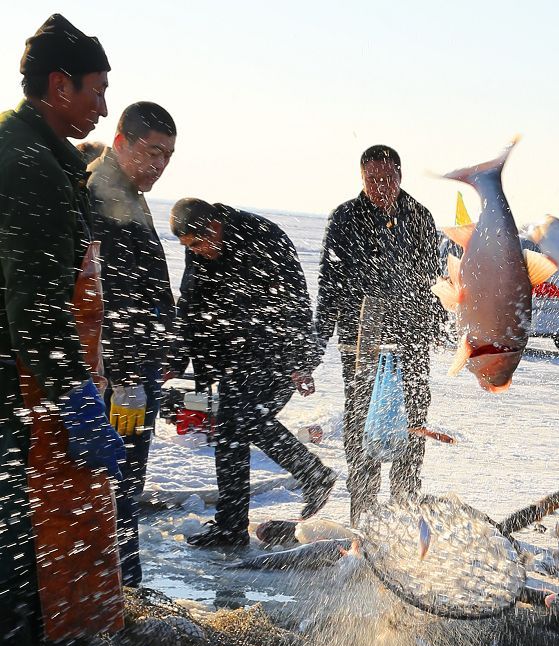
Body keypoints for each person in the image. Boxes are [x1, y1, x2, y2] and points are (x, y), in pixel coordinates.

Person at [0, 13, 140, 646]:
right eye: (95, 89)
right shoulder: (27, 166)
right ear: (58, 85)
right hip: (12, 377)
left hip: (27, 375)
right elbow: (35, 308)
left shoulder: (38, 152)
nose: (103, 105)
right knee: (11, 529)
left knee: (27, 525)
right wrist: (76, 400)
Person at [170, 198, 334, 547]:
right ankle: (233, 525)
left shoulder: (263, 235)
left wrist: (301, 360)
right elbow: (191, 301)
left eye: (199, 244)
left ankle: (310, 474)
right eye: (189, 248)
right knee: (233, 430)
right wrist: (178, 356)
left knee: (241, 422)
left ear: (214, 225)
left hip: (271, 349)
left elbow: (295, 301)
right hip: (232, 354)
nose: (197, 253)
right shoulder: (199, 248)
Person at [315, 145, 440, 525]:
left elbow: (432, 280)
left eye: (389, 179)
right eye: (373, 180)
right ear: (361, 178)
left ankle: (404, 504)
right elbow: (330, 284)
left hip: (410, 333)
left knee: (412, 416)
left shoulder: (419, 217)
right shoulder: (345, 218)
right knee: (361, 420)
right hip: (360, 334)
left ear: (401, 177)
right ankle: (364, 511)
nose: (382, 187)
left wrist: (433, 326)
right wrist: (317, 342)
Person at [88, 101, 178, 585]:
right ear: (121, 142)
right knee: (113, 481)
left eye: (168, 156)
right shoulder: (99, 194)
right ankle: (117, 588)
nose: (160, 165)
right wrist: (125, 377)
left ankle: (123, 582)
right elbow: (106, 297)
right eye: (152, 151)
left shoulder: (129, 191)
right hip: (115, 376)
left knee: (126, 478)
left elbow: (149, 285)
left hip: (134, 369)